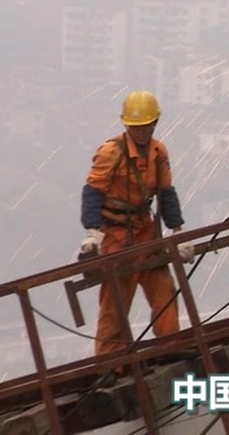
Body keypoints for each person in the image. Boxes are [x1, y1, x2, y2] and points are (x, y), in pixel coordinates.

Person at [78, 90, 189, 360]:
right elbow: (92, 191)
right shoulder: (110, 152)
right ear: (126, 125)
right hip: (116, 233)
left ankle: (169, 346)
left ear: (155, 123)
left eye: (145, 126)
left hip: (145, 229)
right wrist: (93, 232)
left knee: (163, 288)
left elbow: (166, 193)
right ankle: (110, 361)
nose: (140, 131)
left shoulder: (158, 152)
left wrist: (178, 232)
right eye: (134, 126)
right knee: (115, 301)